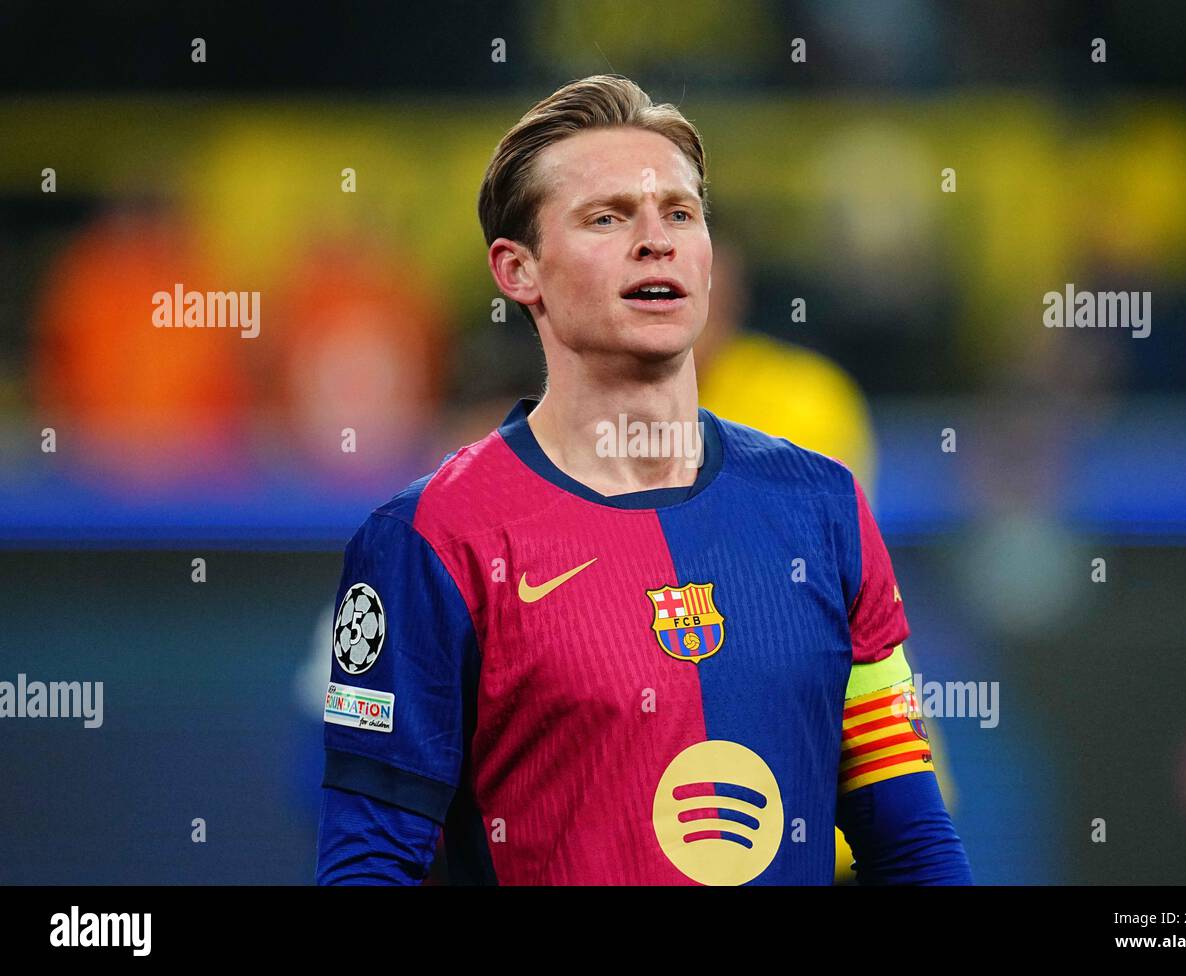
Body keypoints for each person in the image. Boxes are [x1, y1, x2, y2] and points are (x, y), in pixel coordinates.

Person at [316, 74, 972, 885]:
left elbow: (912, 844)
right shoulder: (430, 541)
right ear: (518, 271)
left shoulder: (825, 508)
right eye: (608, 217)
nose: (656, 240)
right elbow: (370, 866)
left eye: (681, 214)